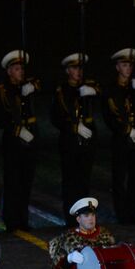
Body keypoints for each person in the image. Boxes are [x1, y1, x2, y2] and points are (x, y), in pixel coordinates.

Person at [0, 49, 40, 231]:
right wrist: (18, 131)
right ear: (9, 71)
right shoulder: (3, 90)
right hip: (13, 140)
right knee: (13, 182)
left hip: (31, 138)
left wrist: (28, 88)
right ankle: (11, 220)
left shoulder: (28, 85)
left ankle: (23, 218)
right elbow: (1, 117)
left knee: (27, 180)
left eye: (22, 68)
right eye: (17, 69)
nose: (21, 72)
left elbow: (39, 84)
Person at [50, 52, 100, 213]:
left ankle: (84, 214)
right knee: (70, 181)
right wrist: (74, 127)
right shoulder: (62, 91)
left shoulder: (89, 86)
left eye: (80, 68)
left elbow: (104, 95)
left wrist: (92, 91)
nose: (78, 72)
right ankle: (71, 216)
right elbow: (56, 116)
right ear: (67, 71)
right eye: (74, 68)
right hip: (70, 141)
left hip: (87, 141)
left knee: (85, 180)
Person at [101, 48, 135, 224]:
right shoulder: (112, 89)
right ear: (117, 67)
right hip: (121, 139)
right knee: (119, 178)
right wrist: (127, 130)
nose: (128, 69)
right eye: (124, 65)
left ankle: (132, 212)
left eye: (130, 65)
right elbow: (111, 115)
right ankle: (121, 213)